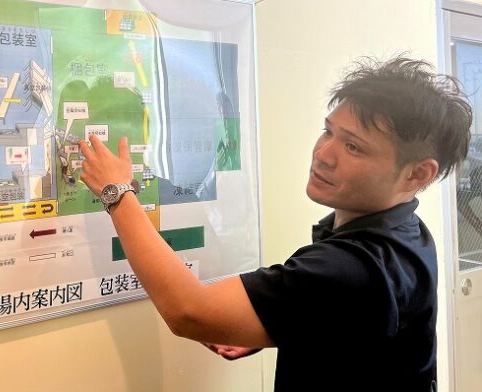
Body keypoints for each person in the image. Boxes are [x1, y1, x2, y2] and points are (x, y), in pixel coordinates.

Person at [78, 56, 472, 392]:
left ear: (417, 174)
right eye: (328, 132)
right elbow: (351, 323)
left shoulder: (355, 269)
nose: (323, 154)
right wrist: (283, 324)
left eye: (353, 146)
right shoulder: (407, 231)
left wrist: (117, 192)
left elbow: (189, 311)